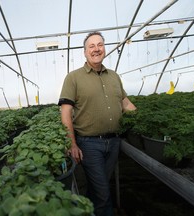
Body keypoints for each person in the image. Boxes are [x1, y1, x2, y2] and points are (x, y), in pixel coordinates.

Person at [58, 31, 136, 216]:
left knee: (97, 188)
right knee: (103, 194)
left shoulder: (114, 76)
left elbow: (125, 103)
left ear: (104, 49)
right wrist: (72, 143)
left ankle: (87, 211)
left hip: (114, 142)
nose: (96, 49)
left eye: (100, 45)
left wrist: (144, 117)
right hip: (89, 144)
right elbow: (66, 112)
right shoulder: (73, 78)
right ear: (85, 52)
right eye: (91, 46)